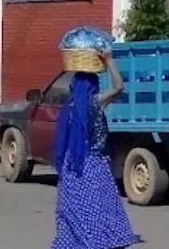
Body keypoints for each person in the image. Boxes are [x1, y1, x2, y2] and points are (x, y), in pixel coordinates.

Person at [51, 49, 138, 249]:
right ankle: (100, 240)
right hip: (93, 163)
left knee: (73, 207)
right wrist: (109, 60)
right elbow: (118, 87)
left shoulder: (70, 108)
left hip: (72, 164)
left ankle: (75, 242)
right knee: (100, 205)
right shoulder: (95, 103)